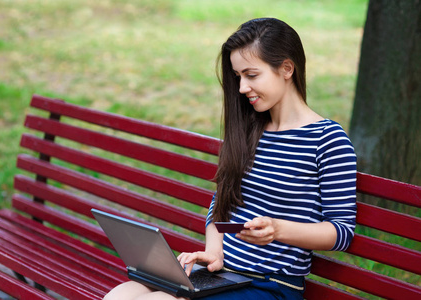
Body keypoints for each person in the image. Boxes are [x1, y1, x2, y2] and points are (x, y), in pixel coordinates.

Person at [104, 17, 357, 300]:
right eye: (238, 77)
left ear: (286, 68)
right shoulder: (249, 131)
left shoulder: (327, 139)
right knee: (122, 294)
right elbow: (221, 201)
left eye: (251, 75)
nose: (241, 88)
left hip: (271, 287)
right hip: (223, 277)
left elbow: (341, 231)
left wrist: (278, 229)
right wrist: (214, 252)